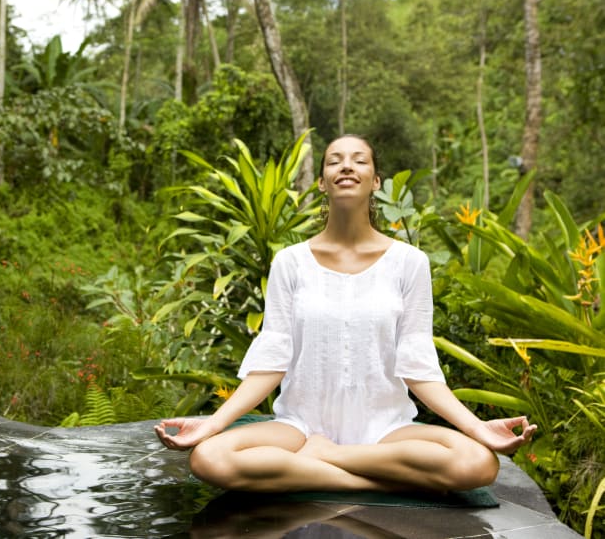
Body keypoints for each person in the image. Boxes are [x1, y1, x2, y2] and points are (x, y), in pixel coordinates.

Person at [155, 134, 537, 494]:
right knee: (209, 458)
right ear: (322, 182)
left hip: (387, 430)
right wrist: (213, 423)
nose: (347, 166)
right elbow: (273, 361)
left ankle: (329, 459)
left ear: (376, 181)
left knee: (478, 464)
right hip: (299, 428)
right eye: (334, 160)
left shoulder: (409, 263)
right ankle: (369, 482)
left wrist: (477, 427)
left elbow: (418, 365)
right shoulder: (291, 262)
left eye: (359, 160)